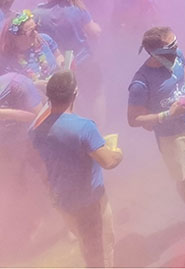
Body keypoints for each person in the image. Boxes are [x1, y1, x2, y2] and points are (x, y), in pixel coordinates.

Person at [30, 71, 122, 268]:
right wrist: (118, 154)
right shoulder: (83, 127)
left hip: (62, 199)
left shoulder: (35, 129)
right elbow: (108, 162)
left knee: (86, 244)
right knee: (102, 248)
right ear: (75, 94)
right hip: (88, 200)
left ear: (49, 96)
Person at [127, 25, 185, 209]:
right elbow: (133, 119)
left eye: (176, 43)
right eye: (171, 46)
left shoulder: (177, 57)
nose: (176, 48)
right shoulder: (141, 82)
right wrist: (168, 114)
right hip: (172, 137)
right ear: (155, 52)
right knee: (184, 177)